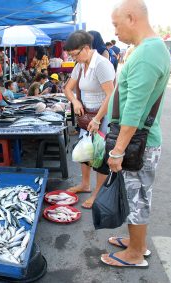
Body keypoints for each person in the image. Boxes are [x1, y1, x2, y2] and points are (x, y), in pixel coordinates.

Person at [101, 0, 171, 268]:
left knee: (138, 195)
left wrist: (118, 151)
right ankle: (135, 242)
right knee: (135, 194)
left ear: (131, 18)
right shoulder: (146, 49)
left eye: (116, 25)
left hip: (138, 143)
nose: (115, 32)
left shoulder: (148, 52)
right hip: (138, 140)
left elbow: (134, 110)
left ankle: (136, 252)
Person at [63, 30, 115, 208]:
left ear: (86, 48)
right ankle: (85, 184)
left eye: (74, 54)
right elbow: (67, 88)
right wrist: (76, 101)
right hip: (86, 115)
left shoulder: (102, 65)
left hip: (102, 116)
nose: (73, 58)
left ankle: (97, 193)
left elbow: (111, 95)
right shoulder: (80, 65)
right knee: (85, 150)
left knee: (100, 156)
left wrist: (98, 119)